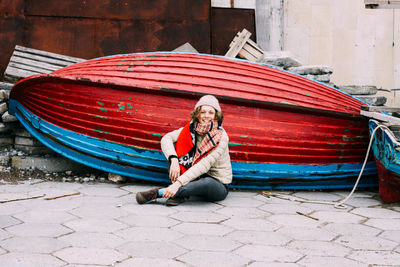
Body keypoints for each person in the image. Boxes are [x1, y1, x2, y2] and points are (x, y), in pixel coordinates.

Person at [136, 94, 232, 206]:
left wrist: (177, 183)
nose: (206, 116)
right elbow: (166, 138)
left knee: (206, 183)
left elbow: (204, 164)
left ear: (216, 116)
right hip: (195, 177)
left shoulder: (221, 137)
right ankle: (181, 194)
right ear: (197, 114)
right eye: (203, 112)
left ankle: (159, 193)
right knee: (176, 145)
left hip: (217, 184)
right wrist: (174, 160)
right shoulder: (191, 128)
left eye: (211, 112)